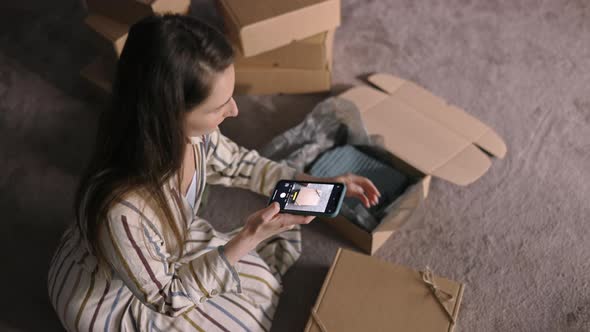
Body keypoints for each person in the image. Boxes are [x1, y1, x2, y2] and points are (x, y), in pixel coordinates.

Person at [47, 14, 381, 331]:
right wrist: (249, 236)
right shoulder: (122, 212)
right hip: (115, 300)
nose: (234, 110)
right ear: (170, 113)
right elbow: (170, 298)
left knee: (262, 282)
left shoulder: (193, 136)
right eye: (219, 106)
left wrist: (316, 184)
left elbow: (241, 165)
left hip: (164, 245)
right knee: (246, 316)